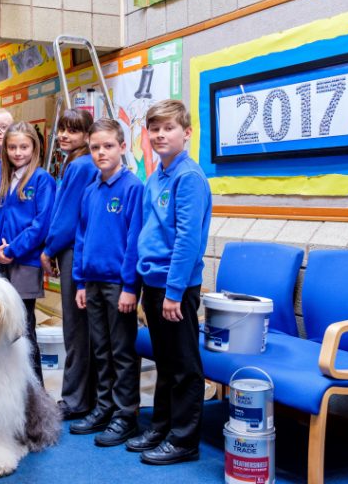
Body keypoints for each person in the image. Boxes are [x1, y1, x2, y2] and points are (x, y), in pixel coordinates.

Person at [129, 100, 211, 465]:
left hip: (175, 288)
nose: (160, 135)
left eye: (169, 128)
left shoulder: (188, 178)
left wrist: (175, 292)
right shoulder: (156, 175)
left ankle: (184, 440)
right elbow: (148, 231)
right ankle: (161, 426)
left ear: (187, 133)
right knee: (164, 362)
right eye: (154, 129)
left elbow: (188, 240)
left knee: (184, 366)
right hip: (154, 283)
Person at [69, 118, 143, 447]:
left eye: (108, 146)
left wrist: (130, 287)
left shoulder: (132, 188)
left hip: (118, 285)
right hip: (93, 282)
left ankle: (126, 414)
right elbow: (82, 237)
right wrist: (80, 282)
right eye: (95, 147)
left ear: (122, 147)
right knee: (100, 350)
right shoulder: (90, 191)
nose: (101, 153)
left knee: (122, 351)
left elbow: (134, 241)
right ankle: (104, 407)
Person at [39, 108, 98, 420]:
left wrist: (49, 249)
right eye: (61, 129)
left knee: (75, 328)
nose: (64, 136)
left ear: (87, 136)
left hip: (73, 249)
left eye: (73, 131)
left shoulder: (80, 165)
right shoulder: (75, 162)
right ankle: (83, 397)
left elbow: (66, 216)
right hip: (75, 249)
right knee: (82, 327)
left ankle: (75, 400)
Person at [0, 122, 56, 384]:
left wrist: (13, 249)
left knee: (23, 329)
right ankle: (8, 388)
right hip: (1, 263)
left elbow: (41, 225)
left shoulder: (41, 180)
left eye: (24, 147)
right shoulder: (3, 180)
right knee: (3, 329)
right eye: (12, 147)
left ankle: (34, 392)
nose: (18, 152)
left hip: (25, 263)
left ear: (34, 148)